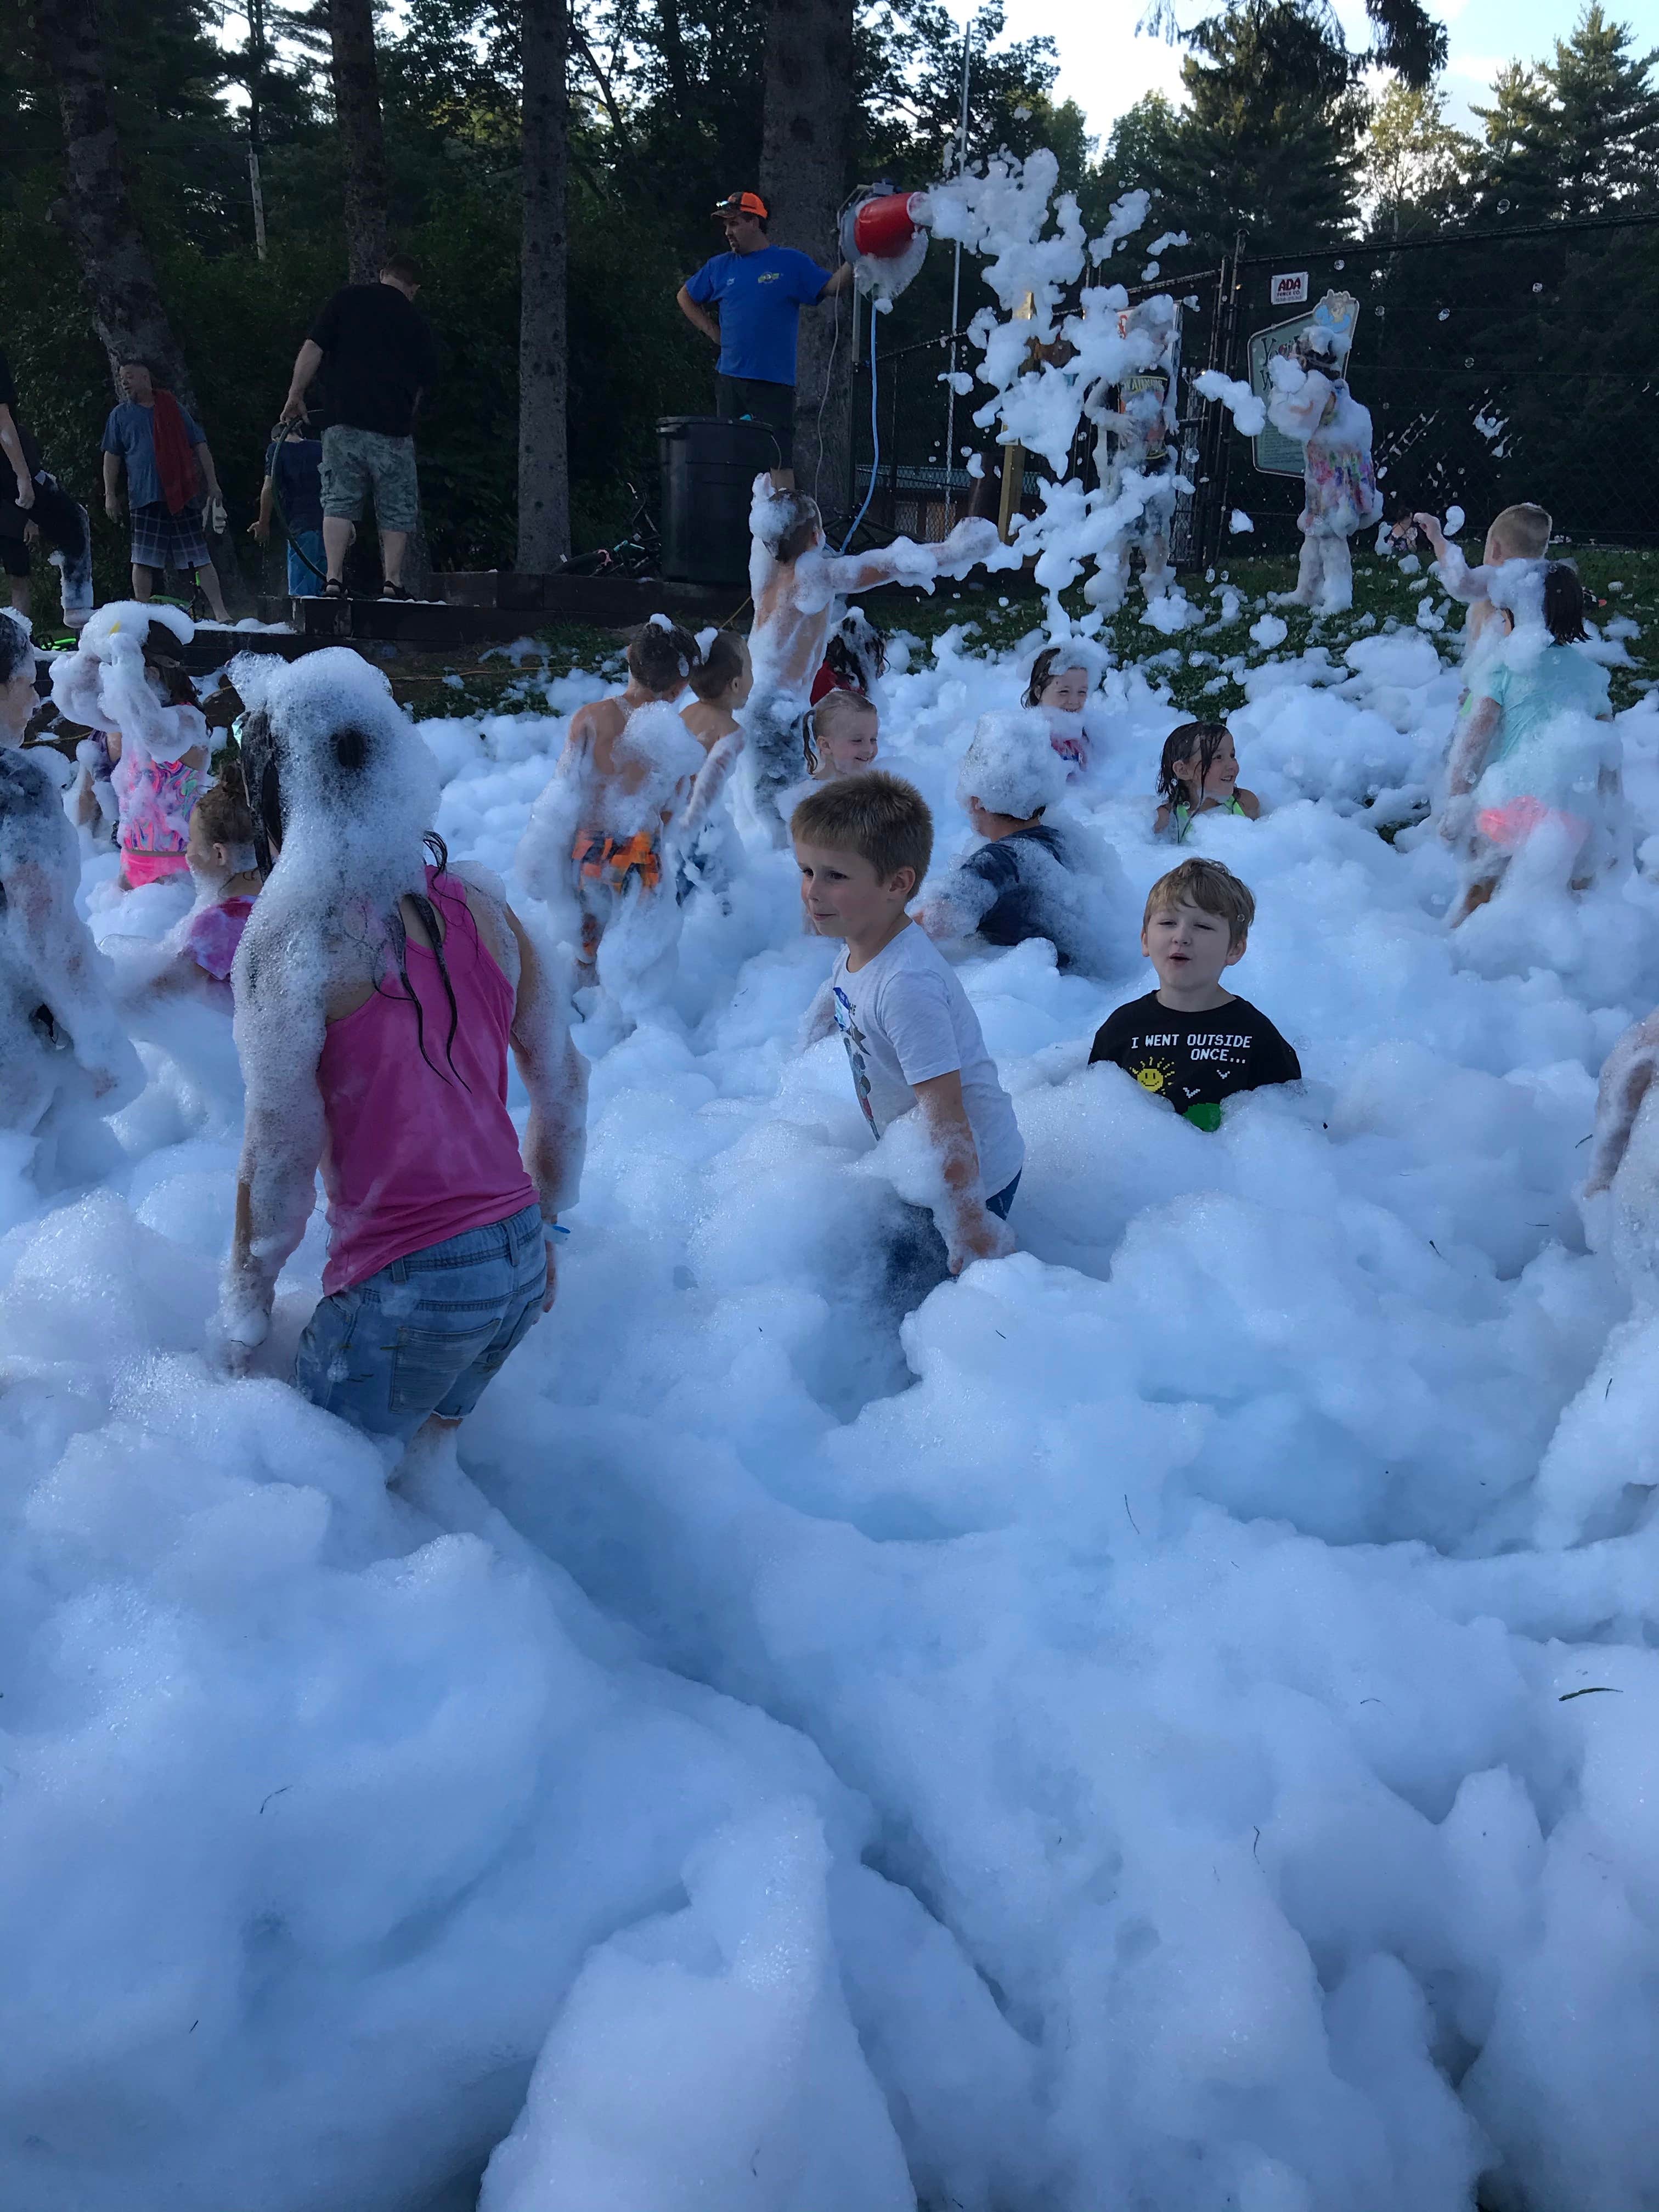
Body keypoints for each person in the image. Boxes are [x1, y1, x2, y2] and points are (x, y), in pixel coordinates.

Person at [216, 650, 586, 1464]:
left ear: (280, 798)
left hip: (408, 1286)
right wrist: (544, 1224)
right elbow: (563, 1084)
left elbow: (278, 1149)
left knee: (317, 1484)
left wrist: (244, 1310)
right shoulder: (484, 908)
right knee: (422, 1473)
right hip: (517, 1264)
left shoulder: (292, 941)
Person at [794, 771, 1024, 1307]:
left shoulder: (906, 986)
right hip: (920, 1156)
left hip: (974, 1175)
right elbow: (842, 991)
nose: (812, 891)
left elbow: (947, 1116)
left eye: (834, 876)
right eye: (806, 870)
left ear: (897, 884)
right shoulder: (863, 941)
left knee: (929, 1303)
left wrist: (970, 1223)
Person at [742, 478, 998, 836]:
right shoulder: (814, 576)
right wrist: (954, 552)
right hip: (778, 709)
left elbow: (764, 537)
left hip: (760, 698)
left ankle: (785, 849)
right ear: (816, 536)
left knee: (771, 803)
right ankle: (792, 859)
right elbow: (883, 566)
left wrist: (762, 500)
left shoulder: (767, 572)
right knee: (781, 815)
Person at [0, 608, 142, 1176]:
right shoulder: (15, 788)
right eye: (25, 684)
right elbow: (43, 925)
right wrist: (101, 1045)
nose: (35, 701)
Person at [516, 618, 704, 981]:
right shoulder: (676, 739)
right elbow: (673, 804)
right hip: (640, 849)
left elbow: (566, 785)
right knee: (638, 944)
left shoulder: (591, 718)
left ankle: (586, 985)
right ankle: (629, 996)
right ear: (677, 689)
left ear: (629, 655)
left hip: (589, 847)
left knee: (587, 937)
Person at [1440, 562, 1621, 926]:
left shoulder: (1505, 667)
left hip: (1506, 804)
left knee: (1480, 891)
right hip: (1568, 815)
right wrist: (1610, 824)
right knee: (1563, 903)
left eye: (1504, 618)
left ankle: (1459, 944)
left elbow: (1473, 740)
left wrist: (1457, 802)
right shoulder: (1590, 677)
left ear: (1519, 618)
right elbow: (1608, 758)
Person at [1089, 857, 1299, 1132]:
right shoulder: (1122, 1029)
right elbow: (1091, 1115)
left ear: (1235, 949)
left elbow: (1294, 1130)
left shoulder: (1256, 1037)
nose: (1181, 937)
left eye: (1202, 926)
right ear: (1145, 940)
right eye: (1168, 922)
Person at [279, 252, 439, 601]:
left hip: (343, 424)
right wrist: (407, 418)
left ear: (383, 274)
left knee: (338, 502)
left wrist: (296, 394)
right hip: (393, 432)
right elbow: (424, 383)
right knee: (396, 509)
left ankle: (333, 579)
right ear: (414, 288)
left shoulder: (346, 299)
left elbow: (313, 348)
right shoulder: (416, 321)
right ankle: (392, 583)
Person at [919, 710, 1121, 976]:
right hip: (1085, 986)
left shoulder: (996, 863)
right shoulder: (1066, 840)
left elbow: (926, 925)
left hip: (1038, 990)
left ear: (978, 799)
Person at [676, 192, 853, 486]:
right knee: (729, 459)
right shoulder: (720, 266)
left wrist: (859, 257)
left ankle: (782, 517)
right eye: (725, 226)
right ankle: (734, 515)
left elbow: (833, 286)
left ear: (755, 222)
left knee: (779, 461)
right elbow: (685, 296)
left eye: (734, 224)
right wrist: (712, 332)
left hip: (773, 382)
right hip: (730, 379)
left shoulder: (790, 262)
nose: (728, 232)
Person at [49, 601, 209, 890]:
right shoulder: (127, 724)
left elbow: (156, 735)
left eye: (115, 674)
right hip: (130, 866)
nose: (108, 685)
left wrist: (127, 669)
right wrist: (89, 654)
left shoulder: (188, 723)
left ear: (151, 674)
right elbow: (73, 707)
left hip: (178, 873)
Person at [100, 360, 230, 621]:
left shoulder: (172, 407)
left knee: (199, 557)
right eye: (122, 378)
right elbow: (111, 456)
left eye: (130, 377)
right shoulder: (120, 415)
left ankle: (222, 614)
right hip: (144, 496)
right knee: (142, 559)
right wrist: (110, 495)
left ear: (145, 377)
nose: (124, 382)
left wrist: (213, 483)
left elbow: (200, 444)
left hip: (181, 494)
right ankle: (141, 614)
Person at [1267, 329, 1380, 616]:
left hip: (1331, 474)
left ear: (1307, 360)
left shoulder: (1317, 386)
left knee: (1331, 534)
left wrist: (1278, 392)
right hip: (1326, 471)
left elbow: (1294, 423)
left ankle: (1339, 596)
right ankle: (1306, 590)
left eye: (1296, 355)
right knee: (1314, 531)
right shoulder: (1331, 384)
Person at [0, 346, 93, 632]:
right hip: (6, 473)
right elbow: (2, 422)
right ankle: (77, 604)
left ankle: (17, 638)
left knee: (18, 569)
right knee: (74, 519)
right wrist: (23, 477)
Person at [1414, 502, 1551, 665]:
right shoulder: (1540, 581)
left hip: (1489, 671)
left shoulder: (1499, 575)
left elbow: (1463, 584)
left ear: (1495, 549)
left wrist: (1437, 538)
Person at [250, 419, 326, 597]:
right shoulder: (320, 448)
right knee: (326, 588)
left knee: (302, 594)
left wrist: (263, 523)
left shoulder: (277, 449)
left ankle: (301, 614)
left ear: (276, 438)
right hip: (330, 528)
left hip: (300, 526)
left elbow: (269, 487)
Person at [1154, 721, 1261, 840]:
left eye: (1232, 755)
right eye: (1218, 757)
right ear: (1183, 770)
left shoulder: (1246, 803)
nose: (1232, 765)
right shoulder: (1168, 818)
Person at [1023, 645, 1096, 778]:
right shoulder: (1030, 742)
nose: (1074, 701)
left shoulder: (1084, 737)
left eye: (1082, 692)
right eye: (1064, 691)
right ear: (1038, 692)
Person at [810, 609, 887, 706]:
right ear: (860, 656)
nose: (883, 668)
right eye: (879, 659)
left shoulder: (851, 682)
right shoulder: (831, 685)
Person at [807, 689, 879, 781]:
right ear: (826, 745)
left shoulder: (880, 781)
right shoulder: (811, 789)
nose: (869, 749)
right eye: (857, 740)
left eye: (873, 740)